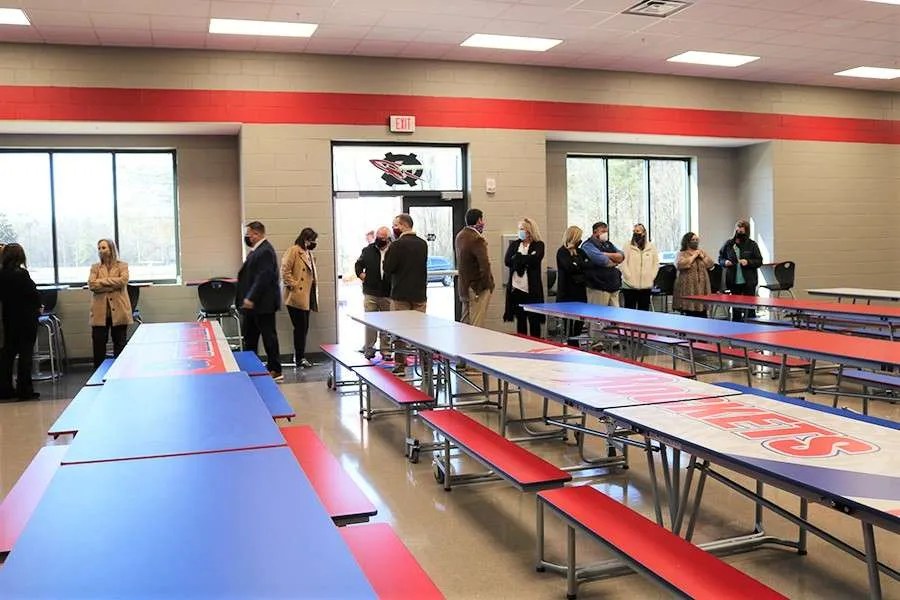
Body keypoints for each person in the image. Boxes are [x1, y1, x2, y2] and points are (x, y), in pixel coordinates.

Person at [237, 221, 282, 381]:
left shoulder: (265, 251)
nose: (248, 237)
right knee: (250, 337)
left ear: (257, 234)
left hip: (263, 304)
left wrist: (251, 297)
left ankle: (275, 369)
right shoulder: (256, 251)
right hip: (254, 306)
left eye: (249, 234)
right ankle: (251, 367)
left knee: (268, 336)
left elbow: (263, 277)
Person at [383, 213, 428, 374]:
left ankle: (400, 364)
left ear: (403, 225)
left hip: (400, 293)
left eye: (395, 225)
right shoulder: (423, 244)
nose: (394, 228)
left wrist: (388, 252)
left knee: (399, 331)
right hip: (419, 293)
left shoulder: (396, 245)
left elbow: (388, 269)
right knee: (420, 332)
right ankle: (425, 364)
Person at [0, 243, 41, 401]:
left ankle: (5, 389)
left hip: (9, 318)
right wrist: (39, 306)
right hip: (26, 319)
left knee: (8, 354)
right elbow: (33, 293)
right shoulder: (22, 274)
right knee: (25, 354)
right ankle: (24, 389)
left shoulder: (2, 274)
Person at [88, 238, 133, 369]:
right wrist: (112, 285)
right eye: (99, 248)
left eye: (103, 248)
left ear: (111, 249)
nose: (101, 251)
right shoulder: (95, 267)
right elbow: (92, 284)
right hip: (99, 313)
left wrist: (102, 282)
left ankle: (119, 371)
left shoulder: (122, 266)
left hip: (119, 311)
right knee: (98, 344)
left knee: (119, 343)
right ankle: (98, 373)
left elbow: (123, 281)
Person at [282, 227, 318, 369]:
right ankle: (299, 357)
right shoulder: (294, 250)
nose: (314, 243)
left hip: (307, 295)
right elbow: (285, 270)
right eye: (312, 240)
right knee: (300, 328)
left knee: (304, 328)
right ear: (305, 239)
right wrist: (294, 285)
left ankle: (300, 356)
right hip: (296, 296)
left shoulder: (308, 252)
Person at [355, 226, 392, 360]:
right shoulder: (368, 250)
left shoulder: (393, 250)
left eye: (382, 238)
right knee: (370, 322)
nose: (379, 240)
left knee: (386, 324)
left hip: (387, 292)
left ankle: (386, 350)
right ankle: (369, 348)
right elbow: (358, 265)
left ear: (388, 239)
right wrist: (361, 275)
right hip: (370, 291)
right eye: (378, 237)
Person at [503, 217, 545, 337]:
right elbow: (507, 261)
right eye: (519, 229)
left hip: (532, 289)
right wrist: (524, 259)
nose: (520, 231)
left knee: (534, 320)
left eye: (522, 229)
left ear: (529, 231)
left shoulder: (539, 245)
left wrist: (518, 259)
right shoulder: (515, 244)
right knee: (520, 320)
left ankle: (536, 345)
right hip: (517, 288)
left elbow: (535, 260)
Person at [455, 208, 494, 329]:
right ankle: (476, 347)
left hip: (464, 286)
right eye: (482, 220)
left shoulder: (460, 236)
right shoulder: (477, 239)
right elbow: (484, 265)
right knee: (477, 323)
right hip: (477, 288)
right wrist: (486, 285)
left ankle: (463, 346)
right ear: (479, 220)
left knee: (465, 321)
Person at [718, 219, 763, 322]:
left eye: (741, 232)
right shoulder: (729, 244)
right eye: (737, 232)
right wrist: (725, 262)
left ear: (746, 232)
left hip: (748, 280)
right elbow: (720, 258)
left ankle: (752, 328)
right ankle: (736, 328)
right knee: (736, 309)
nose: (739, 234)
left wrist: (748, 262)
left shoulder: (752, 245)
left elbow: (759, 261)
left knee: (750, 308)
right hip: (733, 280)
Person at [556, 226, 591, 340]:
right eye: (579, 238)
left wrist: (577, 263)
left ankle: (575, 345)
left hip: (580, 293)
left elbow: (589, 266)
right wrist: (578, 263)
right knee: (569, 327)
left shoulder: (581, 251)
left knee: (579, 324)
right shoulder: (562, 252)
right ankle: (572, 347)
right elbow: (569, 267)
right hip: (566, 294)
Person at [582, 221, 624, 307]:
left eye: (606, 231)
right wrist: (614, 260)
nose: (605, 234)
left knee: (615, 317)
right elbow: (604, 261)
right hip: (598, 287)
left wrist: (605, 254)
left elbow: (621, 256)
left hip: (613, 286)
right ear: (595, 232)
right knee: (598, 316)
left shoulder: (608, 244)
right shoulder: (588, 245)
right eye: (603, 231)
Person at [673, 232, 715, 318]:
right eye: (693, 240)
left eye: (697, 240)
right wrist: (693, 256)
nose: (695, 241)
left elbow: (710, 264)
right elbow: (680, 264)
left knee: (702, 311)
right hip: (688, 285)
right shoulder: (682, 253)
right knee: (690, 311)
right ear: (687, 241)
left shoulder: (702, 252)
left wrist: (702, 256)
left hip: (702, 286)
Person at [619, 223, 658, 311]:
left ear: (644, 233)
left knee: (644, 311)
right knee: (629, 311)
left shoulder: (651, 247)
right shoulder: (627, 245)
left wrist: (651, 276)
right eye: (634, 231)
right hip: (629, 285)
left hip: (646, 286)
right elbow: (622, 262)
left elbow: (656, 263)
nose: (635, 233)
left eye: (637, 231)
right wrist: (628, 276)